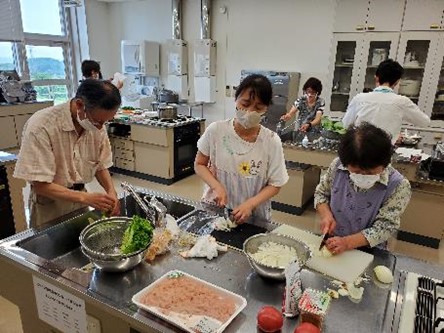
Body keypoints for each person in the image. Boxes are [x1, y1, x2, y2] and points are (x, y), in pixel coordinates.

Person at [14, 79, 121, 228]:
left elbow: (100, 165)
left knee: (79, 243)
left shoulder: (96, 125)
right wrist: (85, 198)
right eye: (97, 121)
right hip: (50, 205)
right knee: (49, 249)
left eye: (106, 122)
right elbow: (40, 185)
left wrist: (111, 191)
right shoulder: (41, 126)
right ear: (79, 105)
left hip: (81, 201)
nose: (100, 127)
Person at [194, 74, 289, 224]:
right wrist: (217, 186)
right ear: (236, 99)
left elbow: (276, 184)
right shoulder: (216, 130)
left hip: (254, 217)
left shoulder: (271, 141)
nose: (250, 112)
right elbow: (200, 164)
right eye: (245, 104)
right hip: (216, 210)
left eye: (258, 108)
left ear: (266, 109)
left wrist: (250, 204)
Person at [314, 123, 411, 254]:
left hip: (370, 249)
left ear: (385, 163)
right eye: (356, 171)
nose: (363, 176)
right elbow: (321, 193)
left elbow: (385, 227)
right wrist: (326, 215)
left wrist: (347, 242)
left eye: (370, 172)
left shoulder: (398, 185)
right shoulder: (338, 166)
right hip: (333, 241)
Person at [342, 59, 430, 144]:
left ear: (376, 78)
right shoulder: (402, 102)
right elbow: (425, 122)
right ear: (397, 82)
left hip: (358, 151)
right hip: (383, 153)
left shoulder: (359, 99)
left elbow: (345, 125)